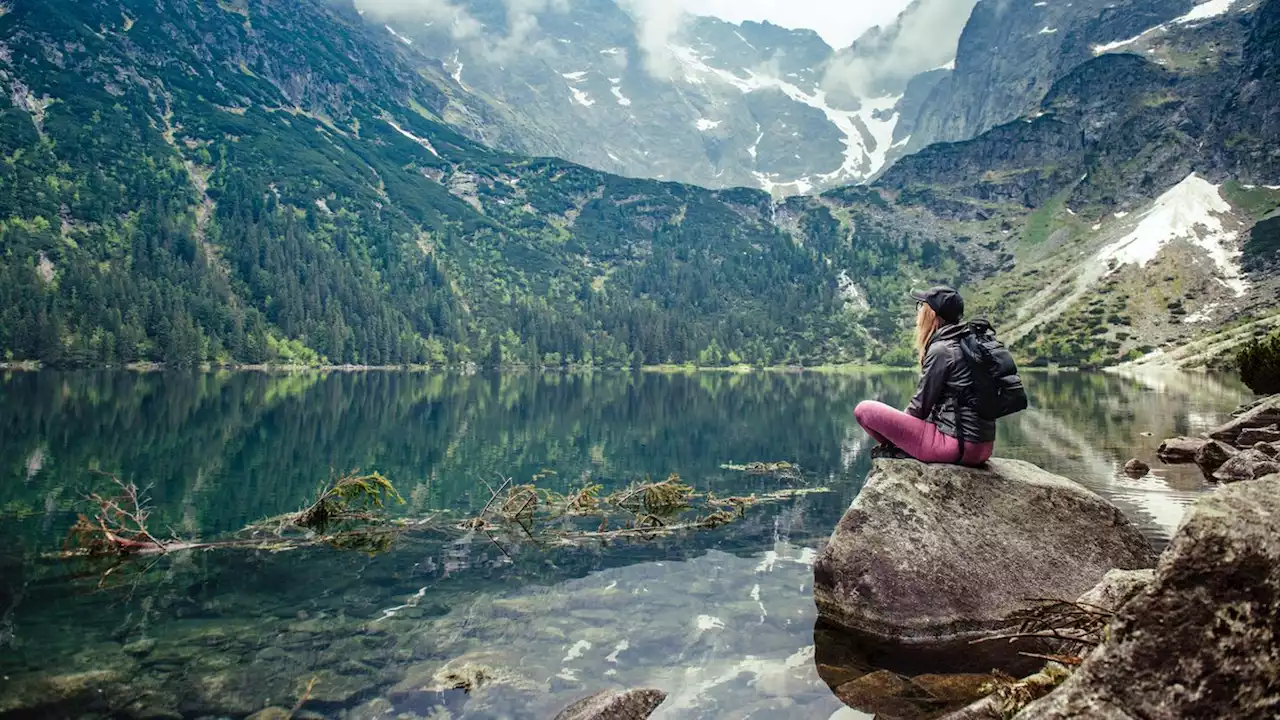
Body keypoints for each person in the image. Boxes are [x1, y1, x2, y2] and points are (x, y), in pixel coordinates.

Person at [854, 286, 996, 466]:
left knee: (864, 410)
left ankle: (902, 450)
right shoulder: (967, 343)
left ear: (932, 314)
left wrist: (901, 433)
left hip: (956, 445)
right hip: (982, 447)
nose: (919, 311)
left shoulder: (942, 350)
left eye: (921, 306)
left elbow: (918, 409)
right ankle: (903, 449)